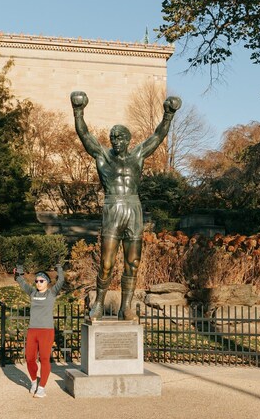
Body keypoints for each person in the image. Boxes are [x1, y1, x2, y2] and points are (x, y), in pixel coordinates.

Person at [71, 90, 179, 321]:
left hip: (133, 209)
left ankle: (125, 307)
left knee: (134, 262)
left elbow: (157, 136)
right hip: (112, 208)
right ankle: (98, 305)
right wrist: (78, 111)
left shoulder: (138, 154)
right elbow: (84, 134)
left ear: (128, 140)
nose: (116, 141)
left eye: (120, 138)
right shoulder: (102, 155)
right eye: (113, 138)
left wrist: (168, 114)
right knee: (107, 263)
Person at [14, 263, 65, 397]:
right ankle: (33, 382)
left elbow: (61, 281)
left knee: (44, 358)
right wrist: (18, 273)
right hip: (33, 330)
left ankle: (42, 387)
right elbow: (21, 282)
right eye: (36, 281)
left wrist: (59, 267)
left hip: (46, 331)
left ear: (47, 282)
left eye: (41, 280)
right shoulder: (32, 293)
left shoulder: (51, 293)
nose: (38, 283)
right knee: (30, 358)